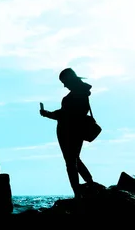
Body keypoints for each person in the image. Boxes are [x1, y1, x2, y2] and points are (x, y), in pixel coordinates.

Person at [39, 67, 95, 198]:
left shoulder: (78, 94)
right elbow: (67, 113)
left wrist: (47, 114)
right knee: (74, 159)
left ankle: (78, 193)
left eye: (64, 82)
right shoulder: (82, 92)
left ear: (70, 80)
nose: (64, 85)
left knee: (71, 162)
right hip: (73, 130)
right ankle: (89, 183)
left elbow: (66, 114)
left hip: (69, 131)